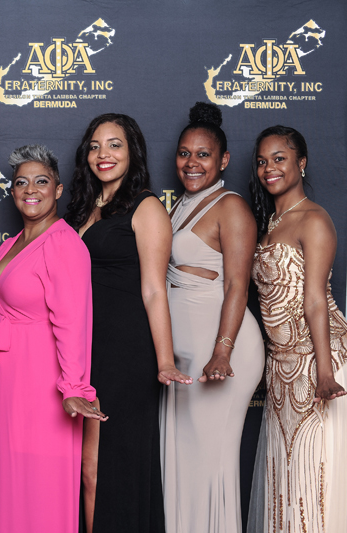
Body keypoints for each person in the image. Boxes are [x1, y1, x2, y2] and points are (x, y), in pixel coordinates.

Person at [65, 113, 192, 533]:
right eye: (95, 145)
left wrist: (164, 360)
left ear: (133, 151)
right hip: (85, 348)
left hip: (124, 351)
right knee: (86, 470)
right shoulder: (84, 208)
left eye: (114, 144)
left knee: (103, 468)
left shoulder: (146, 206)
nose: (103, 154)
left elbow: (155, 289)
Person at [0, 145, 106, 533]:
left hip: (42, 380)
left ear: (58, 189)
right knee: (7, 479)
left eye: (41, 181)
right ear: (12, 191)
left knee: (38, 483)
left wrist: (74, 387)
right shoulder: (12, 242)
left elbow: (73, 322)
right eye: (21, 182)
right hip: (6, 378)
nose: (31, 189)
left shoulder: (63, 243)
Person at [159, 102, 264, 532]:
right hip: (184, 354)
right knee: (183, 462)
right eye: (184, 153)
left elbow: (238, 285)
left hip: (221, 351)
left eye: (203, 155)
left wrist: (223, 352)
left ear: (223, 160)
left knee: (209, 461)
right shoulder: (178, 206)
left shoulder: (230, 207)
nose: (192, 163)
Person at [249, 125, 347, 533]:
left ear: (301, 163)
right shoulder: (271, 222)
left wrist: (325, 372)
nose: (269, 168)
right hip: (282, 369)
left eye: (279, 158)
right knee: (285, 482)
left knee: (315, 478)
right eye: (262, 161)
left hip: (318, 362)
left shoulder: (314, 220)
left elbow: (315, 300)